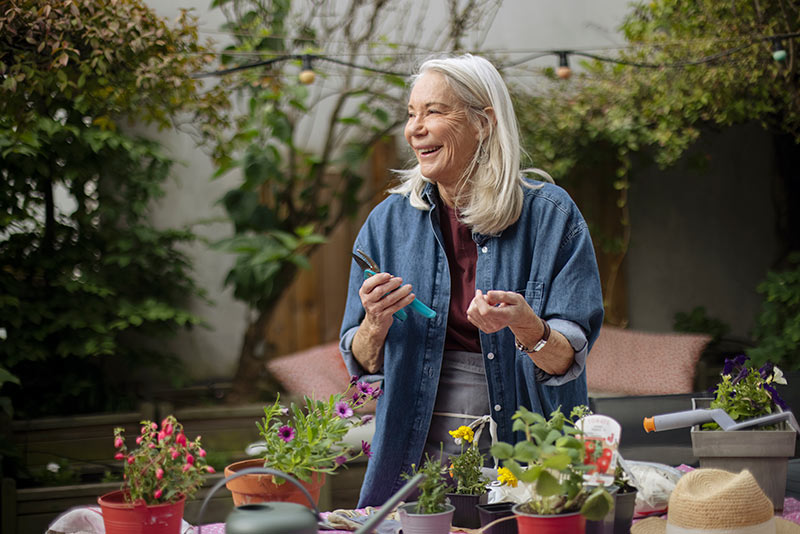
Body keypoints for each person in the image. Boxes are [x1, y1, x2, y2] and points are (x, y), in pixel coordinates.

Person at [338, 53, 604, 507]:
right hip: (414, 453)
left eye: (434, 111)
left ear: (483, 122)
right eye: (411, 114)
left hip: (532, 451)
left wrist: (528, 327)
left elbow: (566, 360)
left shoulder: (551, 217)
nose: (414, 128)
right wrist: (373, 325)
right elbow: (361, 365)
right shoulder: (385, 225)